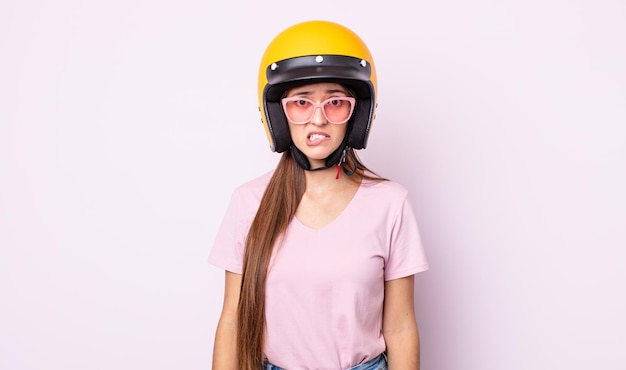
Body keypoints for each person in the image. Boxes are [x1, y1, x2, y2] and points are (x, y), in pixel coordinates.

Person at [209, 20, 429, 370]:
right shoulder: (249, 202)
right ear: (278, 115)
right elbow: (232, 323)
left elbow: (401, 328)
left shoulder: (390, 203)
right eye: (301, 102)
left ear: (357, 114)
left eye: (336, 102)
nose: (318, 119)